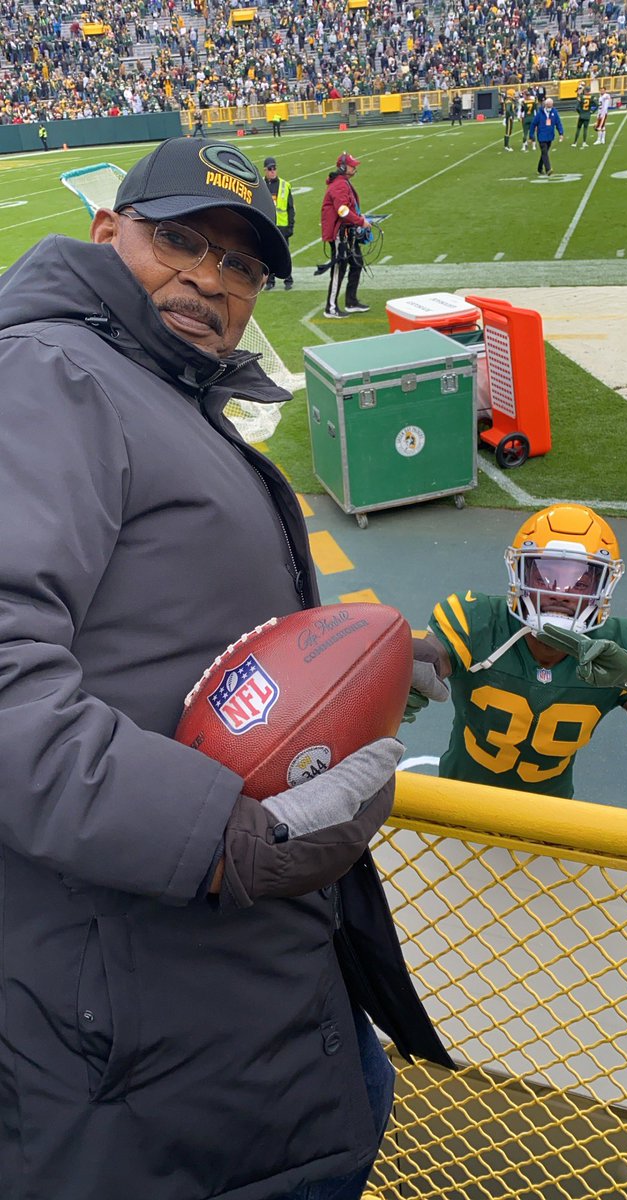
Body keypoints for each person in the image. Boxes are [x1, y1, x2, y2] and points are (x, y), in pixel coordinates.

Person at [0, 137, 451, 1200]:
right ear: (108, 232)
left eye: (243, 265)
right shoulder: (51, 374)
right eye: (180, 241)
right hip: (151, 1065)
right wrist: (222, 841)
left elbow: (158, 627)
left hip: (240, 1030)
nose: (211, 278)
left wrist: (367, 662)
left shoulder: (148, 386)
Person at [405, 504, 627, 799]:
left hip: (547, 817)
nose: (560, 592)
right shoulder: (476, 619)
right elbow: (433, 655)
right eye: (545, 574)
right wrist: (410, 666)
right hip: (459, 804)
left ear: (604, 584)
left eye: (581, 580)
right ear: (520, 573)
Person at [320, 151, 371, 319]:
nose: (355, 168)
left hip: (347, 232)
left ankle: (351, 301)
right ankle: (331, 308)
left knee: (356, 263)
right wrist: (360, 221)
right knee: (338, 269)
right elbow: (342, 210)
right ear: (343, 167)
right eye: (352, 165)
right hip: (339, 234)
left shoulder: (343, 182)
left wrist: (358, 218)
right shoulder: (340, 185)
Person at [262, 155, 294, 291]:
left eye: (274, 168)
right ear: (265, 170)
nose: (273, 171)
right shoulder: (261, 186)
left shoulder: (284, 185)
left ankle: (288, 278)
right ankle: (270, 280)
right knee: (268, 254)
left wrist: (290, 226)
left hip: (282, 226)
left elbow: (290, 208)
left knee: (285, 254)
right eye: (270, 169)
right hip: (268, 225)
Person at [529, 97, 564, 177]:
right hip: (541, 136)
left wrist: (561, 133)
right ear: (545, 105)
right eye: (548, 106)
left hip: (550, 136)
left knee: (544, 153)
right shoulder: (540, 113)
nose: (549, 107)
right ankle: (548, 169)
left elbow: (558, 123)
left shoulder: (554, 112)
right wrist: (531, 135)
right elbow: (533, 124)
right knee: (544, 151)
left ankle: (539, 168)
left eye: (550, 106)